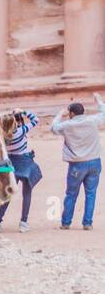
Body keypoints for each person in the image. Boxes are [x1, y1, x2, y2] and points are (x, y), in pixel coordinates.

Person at [51, 94, 105, 230]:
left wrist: (59, 114)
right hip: (94, 162)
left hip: (77, 165)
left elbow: (53, 128)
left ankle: (66, 222)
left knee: (71, 194)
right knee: (91, 194)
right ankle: (87, 223)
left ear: (72, 113)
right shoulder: (93, 121)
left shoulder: (67, 125)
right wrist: (98, 100)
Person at [0, 109, 41, 233]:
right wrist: (23, 112)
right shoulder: (20, 131)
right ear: (14, 123)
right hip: (25, 163)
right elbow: (36, 120)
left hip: (11, 164)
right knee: (26, 194)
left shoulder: (1, 135)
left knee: (8, 194)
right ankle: (23, 223)